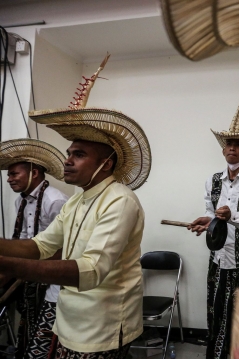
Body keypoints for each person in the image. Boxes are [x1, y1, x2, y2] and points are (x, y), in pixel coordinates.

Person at [0, 55, 152, 359]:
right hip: (69, 319)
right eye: (69, 152)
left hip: (102, 326)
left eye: (79, 154)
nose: (67, 160)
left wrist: (7, 264)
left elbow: (92, 270)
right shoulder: (77, 200)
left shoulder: (120, 200)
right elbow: (42, 245)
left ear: (106, 163)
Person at [188, 92, 239, 359]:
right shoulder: (212, 181)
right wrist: (208, 222)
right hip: (219, 261)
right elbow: (212, 215)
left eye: (238, 144)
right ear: (223, 149)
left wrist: (231, 215)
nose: (232, 148)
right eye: (228, 143)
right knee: (217, 313)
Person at [0, 139, 69, 359]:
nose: (9, 179)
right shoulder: (19, 203)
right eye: (8, 175)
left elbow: (65, 247)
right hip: (29, 274)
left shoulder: (56, 201)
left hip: (53, 278)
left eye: (14, 174)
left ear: (35, 173)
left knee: (46, 333)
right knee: (28, 324)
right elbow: (22, 240)